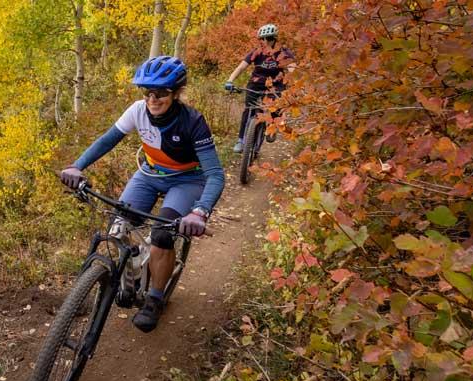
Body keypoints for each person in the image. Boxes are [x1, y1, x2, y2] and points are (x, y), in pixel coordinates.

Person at [59, 56, 225, 333]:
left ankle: (155, 299)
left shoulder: (192, 122)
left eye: (160, 93)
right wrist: (77, 166)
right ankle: (133, 269)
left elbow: (215, 174)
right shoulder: (137, 110)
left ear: (175, 93)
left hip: (186, 181)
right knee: (117, 226)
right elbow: (107, 140)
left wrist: (200, 211)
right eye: (147, 92)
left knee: (161, 235)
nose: (153, 99)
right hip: (149, 175)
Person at [223, 24, 296, 152]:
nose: (263, 42)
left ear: (272, 39)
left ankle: (272, 127)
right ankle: (241, 140)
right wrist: (230, 80)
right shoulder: (257, 52)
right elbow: (241, 67)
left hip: (275, 85)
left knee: (276, 107)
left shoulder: (284, 52)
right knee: (248, 110)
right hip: (255, 84)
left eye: (266, 39)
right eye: (261, 39)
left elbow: (292, 69)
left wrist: (293, 80)